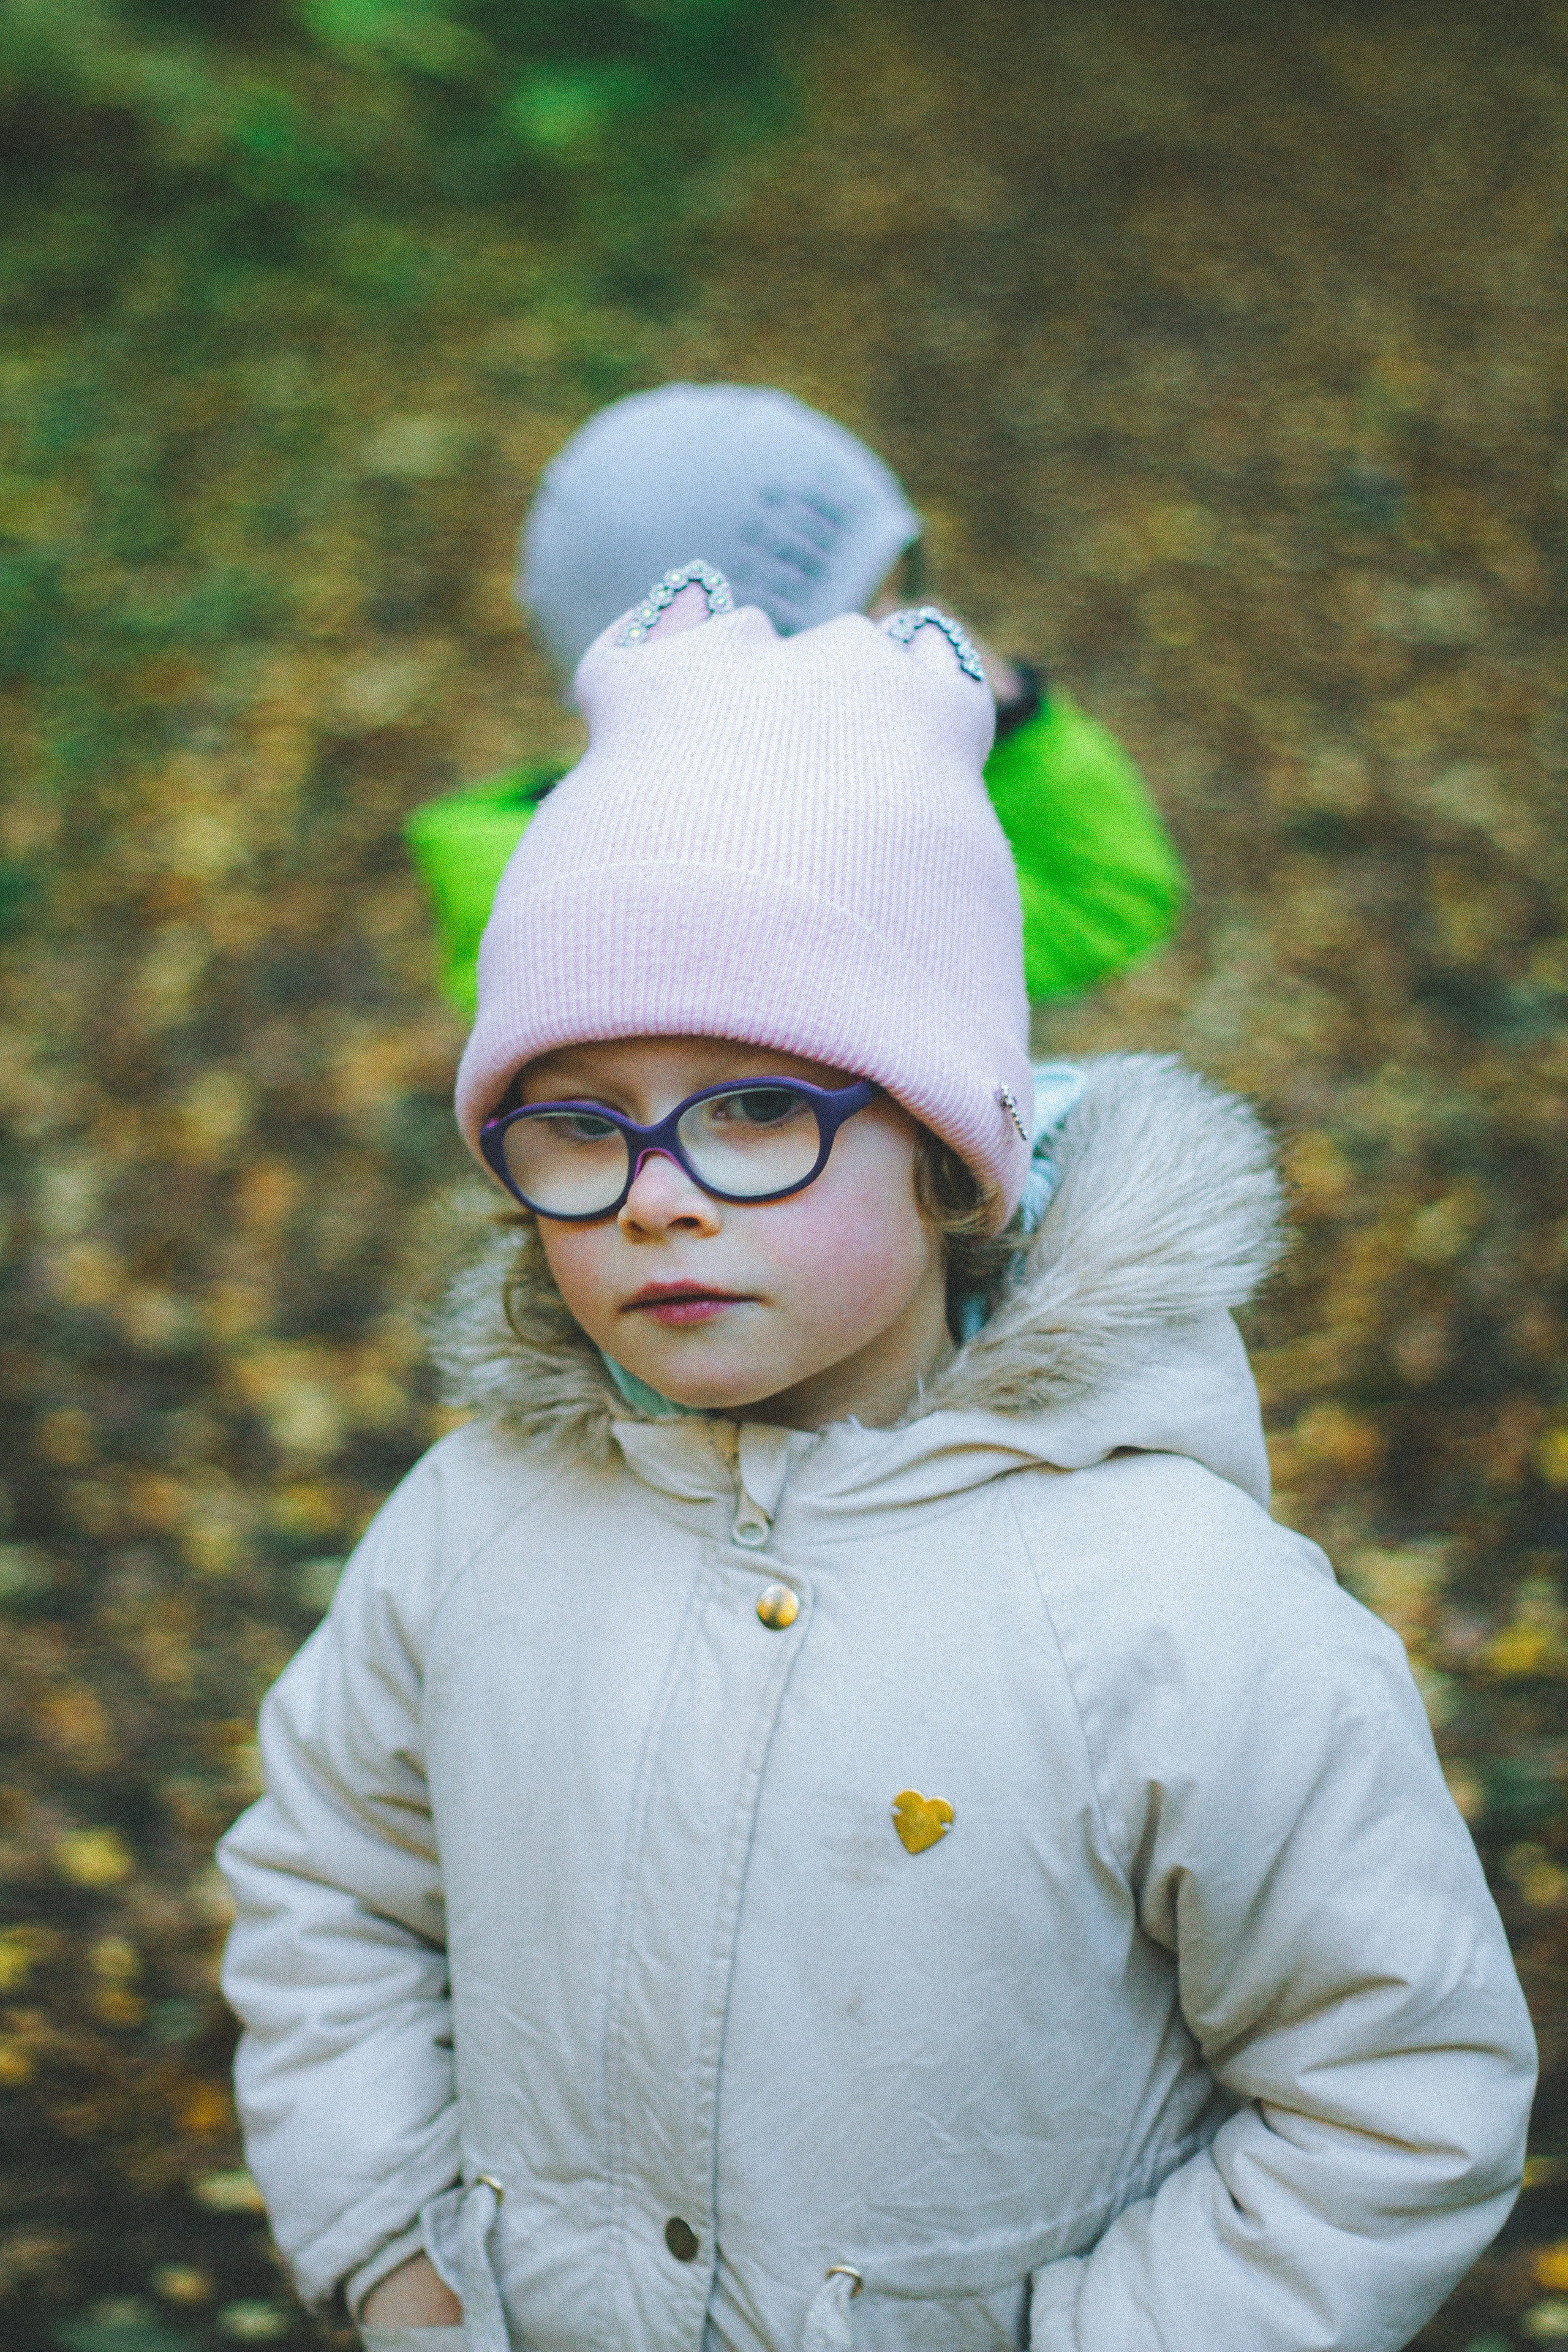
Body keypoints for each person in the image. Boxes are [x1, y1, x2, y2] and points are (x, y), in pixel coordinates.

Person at [220, 573, 1534, 2352]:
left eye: (757, 1104)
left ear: (942, 1156)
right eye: (579, 1121)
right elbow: (329, 1885)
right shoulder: (471, 1528)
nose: (658, 1192)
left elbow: (1392, 2093)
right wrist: (398, 2252)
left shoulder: (1176, 1611)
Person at [404, 383, 1186, 1016]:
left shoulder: (791, 816)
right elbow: (1102, 904)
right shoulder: (767, 897)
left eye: (909, 591)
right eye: (870, 619)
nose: (923, 639)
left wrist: (1005, 722)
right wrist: (1013, 732)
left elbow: (1107, 902)